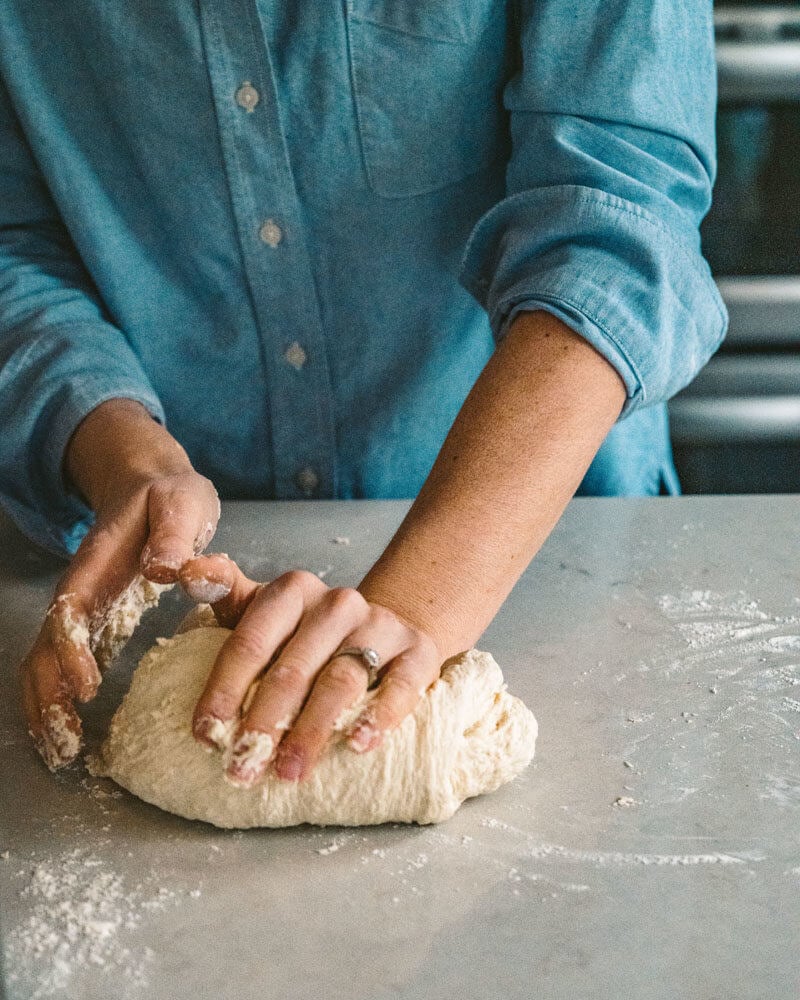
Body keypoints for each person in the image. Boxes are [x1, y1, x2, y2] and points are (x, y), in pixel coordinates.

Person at [2, 2, 726, 784]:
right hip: (166, 568)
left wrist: (414, 611)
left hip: (549, 545)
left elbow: (619, 218)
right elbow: (14, 245)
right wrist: (126, 458)